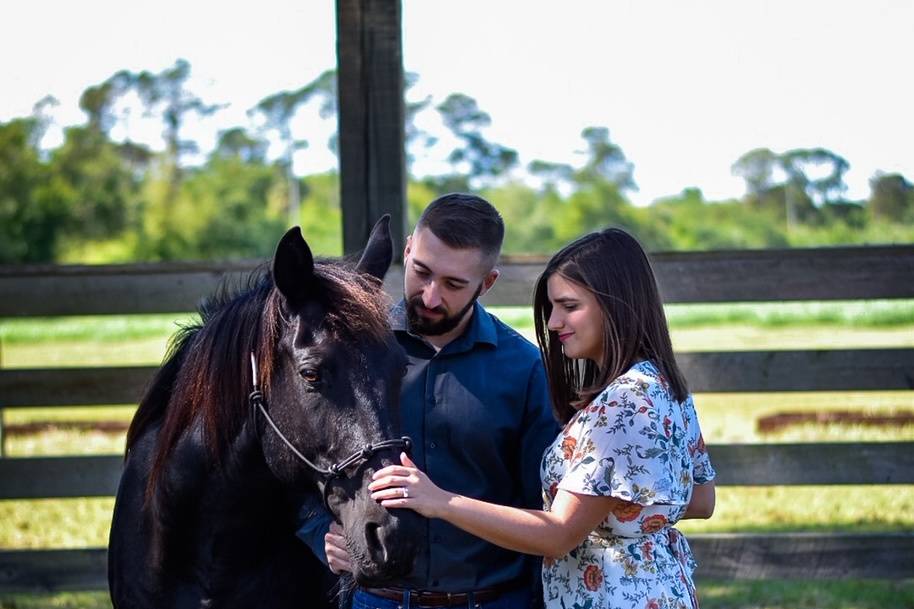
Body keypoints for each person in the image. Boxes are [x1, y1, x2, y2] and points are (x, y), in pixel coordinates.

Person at [369, 227, 717, 609]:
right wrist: (624, 511)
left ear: (615, 304)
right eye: (553, 308)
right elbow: (700, 498)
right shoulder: (663, 386)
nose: (553, 323)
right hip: (660, 589)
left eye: (570, 307)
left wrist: (438, 500)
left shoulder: (623, 405)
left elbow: (558, 535)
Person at [296, 193, 559, 608]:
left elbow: (546, 511)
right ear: (406, 250)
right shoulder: (350, 351)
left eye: (454, 284)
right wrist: (320, 532)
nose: (431, 297)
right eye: (421, 272)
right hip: (375, 601)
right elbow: (298, 462)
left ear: (487, 283)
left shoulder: (525, 370)